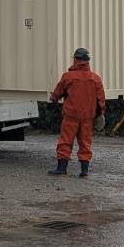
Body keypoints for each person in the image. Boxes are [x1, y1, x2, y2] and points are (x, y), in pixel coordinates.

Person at [48, 47, 106, 178]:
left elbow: (57, 92)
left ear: (75, 59)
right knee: (85, 143)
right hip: (87, 117)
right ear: (87, 61)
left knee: (65, 141)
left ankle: (62, 169)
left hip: (71, 116)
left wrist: (53, 99)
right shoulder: (95, 78)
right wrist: (100, 113)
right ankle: (84, 172)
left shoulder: (68, 76)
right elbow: (101, 99)